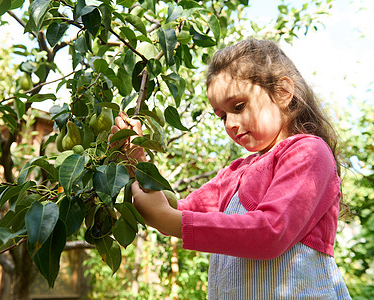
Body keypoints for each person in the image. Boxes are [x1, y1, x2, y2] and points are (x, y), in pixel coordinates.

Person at [110, 38, 351, 299]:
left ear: (282, 92)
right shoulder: (233, 174)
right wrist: (137, 160)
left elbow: (271, 231)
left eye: (239, 106)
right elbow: (175, 210)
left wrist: (169, 221)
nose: (230, 124)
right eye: (222, 115)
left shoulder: (308, 153)